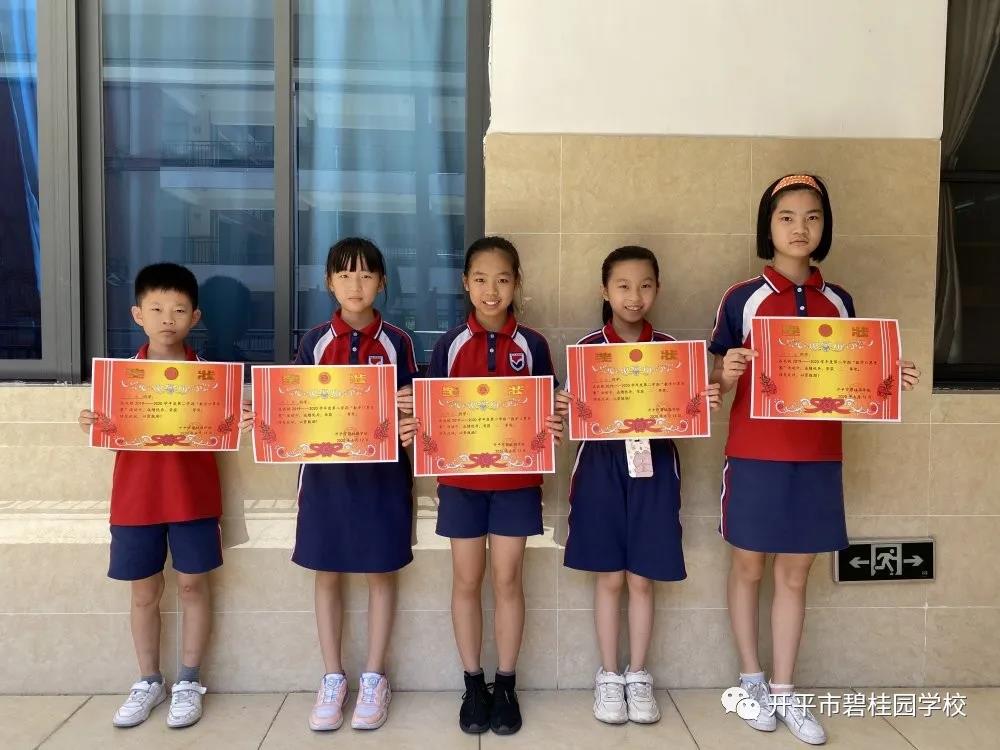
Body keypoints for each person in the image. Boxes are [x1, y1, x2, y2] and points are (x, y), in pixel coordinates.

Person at [709, 174, 921, 745]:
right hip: (754, 453)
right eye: (787, 217)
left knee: (795, 573)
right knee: (749, 567)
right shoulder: (742, 297)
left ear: (825, 227)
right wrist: (726, 371)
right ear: (768, 225)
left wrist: (886, 377)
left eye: (812, 217)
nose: (799, 228)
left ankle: (784, 688)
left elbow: (848, 374)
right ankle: (751, 679)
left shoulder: (840, 300)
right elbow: (713, 380)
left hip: (819, 455)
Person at [557, 245, 720, 725]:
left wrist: (700, 401)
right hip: (599, 467)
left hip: (655, 467)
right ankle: (609, 675)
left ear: (657, 290)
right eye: (623, 286)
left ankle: (638, 675)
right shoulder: (587, 350)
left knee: (641, 578)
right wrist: (563, 404)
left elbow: (687, 412)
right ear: (604, 291)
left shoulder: (673, 352)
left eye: (645, 286)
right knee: (610, 577)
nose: (634, 296)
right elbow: (566, 414)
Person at [273, 237, 419, 732]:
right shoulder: (313, 342)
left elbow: (415, 406)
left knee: (381, 572)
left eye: (366, 275)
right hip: (324, 478)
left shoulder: (399, 342)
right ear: (328, 283)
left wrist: (408, 413)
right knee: (327, 571)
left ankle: (374, 676)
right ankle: (333, 676)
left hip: (383, 477)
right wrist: (263, 416)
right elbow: (293, 405)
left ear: (382, 282)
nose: (355, 285)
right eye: (344, 275)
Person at [425, 236, 563, 735]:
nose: (491, 290)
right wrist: (416, 423)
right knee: (466, 580)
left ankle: (505, 684)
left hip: (516, 482)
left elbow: (548, 407)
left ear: (516, 283)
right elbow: (433, 414)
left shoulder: (534, 344)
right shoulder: (448, 345)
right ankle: (473, 684)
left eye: (502, 279)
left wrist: (556, 418)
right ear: (465, 283)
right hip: (461, 483)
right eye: (481, 279)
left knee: (507, 579)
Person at [78, 262, 222, 729]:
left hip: (193, 499)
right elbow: (115, 437)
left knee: (192, 586)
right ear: (137, 314)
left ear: (194, 317)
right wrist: (95, 424)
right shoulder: (120, 380)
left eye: (178, 310)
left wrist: (237, 419)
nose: (167, 319)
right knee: (144, 593)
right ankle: (148, 681)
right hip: (136, 501)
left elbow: (222, 431)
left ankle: (189, 681)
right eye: (156, 309)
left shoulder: (210, 379)